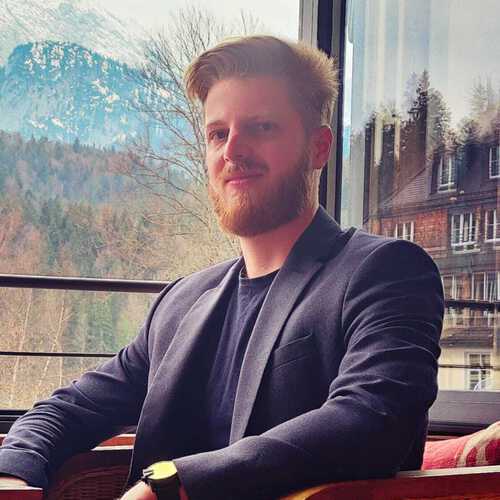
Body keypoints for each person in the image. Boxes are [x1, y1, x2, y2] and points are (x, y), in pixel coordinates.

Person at [0, 36, 444, 500]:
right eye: (217, 134)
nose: (232, 150)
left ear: (318, 148)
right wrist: (13, 472)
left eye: (261, 127)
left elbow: (373, 419)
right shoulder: (180, 302)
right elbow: (72, 408)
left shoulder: (385, 271)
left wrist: (176, 484)